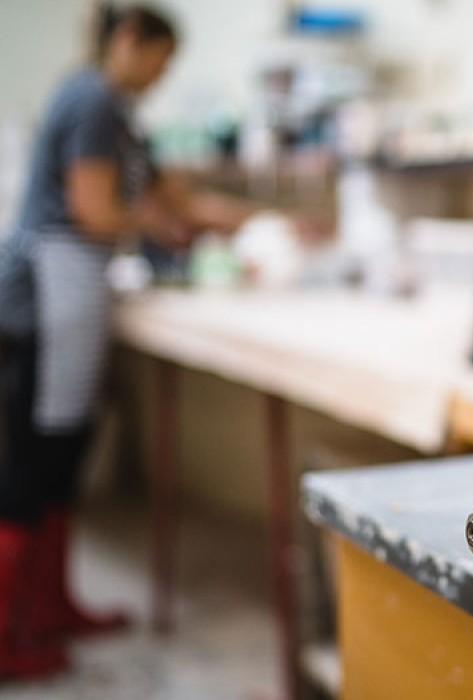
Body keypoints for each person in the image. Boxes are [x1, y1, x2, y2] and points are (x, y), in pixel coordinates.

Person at [0, 4, 318, 678]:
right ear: (128, 40)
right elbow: (94, 212)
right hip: (44, 298)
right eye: (160, 58)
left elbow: (177, 198)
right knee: (31, 468)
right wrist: (157, 228)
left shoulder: (118, 115)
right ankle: (5, 636)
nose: (162, 74)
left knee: (63, 459)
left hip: (76, 294)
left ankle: (51, 606)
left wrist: (265, 222)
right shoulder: (89, 101)